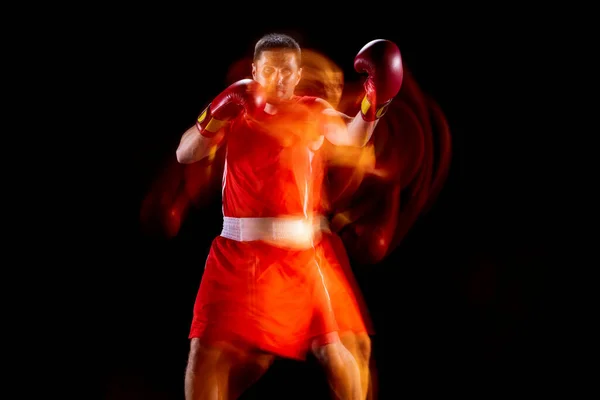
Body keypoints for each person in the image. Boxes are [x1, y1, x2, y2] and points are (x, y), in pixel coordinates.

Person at [176, 32, 403, 400]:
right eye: (270, 70)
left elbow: (352, 137)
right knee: (204, 353)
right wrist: (215, 113)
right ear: (254, 70)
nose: (279, 79)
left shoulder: (313, 110)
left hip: (297, 254)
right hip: (235, 251)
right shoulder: (238, 107)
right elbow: (185, 154)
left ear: (298, 75)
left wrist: (373, 105)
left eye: (287, 71)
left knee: (334, 351)